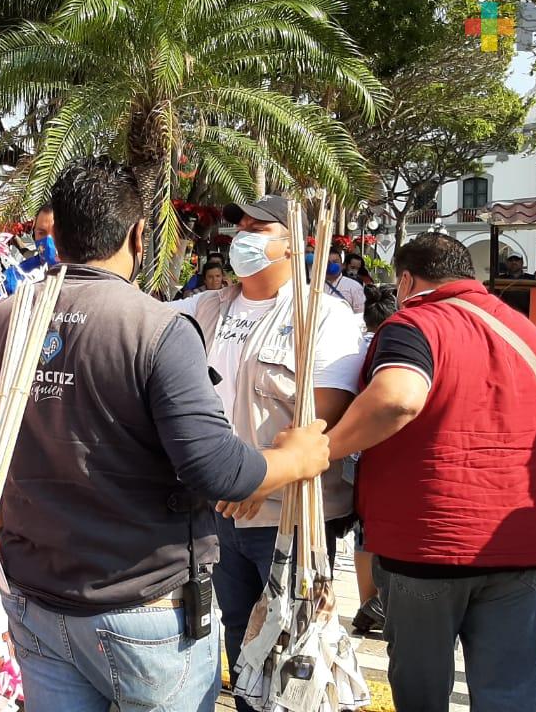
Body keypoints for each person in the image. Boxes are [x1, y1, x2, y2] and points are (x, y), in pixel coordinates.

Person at [0, 158, 332, 712]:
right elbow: (215, 469)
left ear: (55, 231)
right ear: (138, 234)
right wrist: (294, 459)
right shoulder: (156, 329)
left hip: (38, 600)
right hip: (144, 611)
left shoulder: (0, 321)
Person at [327, 233, 536, 712]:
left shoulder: (413, 324)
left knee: (422, 694)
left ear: (406, 279)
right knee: (511, 694)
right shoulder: (526, 332)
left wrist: (321, 450)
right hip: (516, 545)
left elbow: (396, 398)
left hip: (427, 544)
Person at [170, 194, 364, 712]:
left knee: (293, 647)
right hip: (215, 511)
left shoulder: (325, 316)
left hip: (287, 515)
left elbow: (323, 417)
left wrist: (261, 477)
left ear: (292, 245)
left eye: (259, 229)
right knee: (239, 642)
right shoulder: (206, 307)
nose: (244, 239)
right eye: (241, 229)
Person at [348, 283, 397, 635]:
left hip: (353, 451)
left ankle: (369, 604)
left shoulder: (352, 347)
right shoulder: (395, 348)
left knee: (361, 535)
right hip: (385, 454)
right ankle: (379, 604)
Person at [326, 248, 366, 314]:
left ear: (342, 265)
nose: (331, 265)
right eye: (328, 262)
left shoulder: (354, 287)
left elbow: (361, 314)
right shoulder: (316, 285)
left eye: (335, 262)